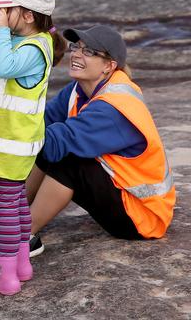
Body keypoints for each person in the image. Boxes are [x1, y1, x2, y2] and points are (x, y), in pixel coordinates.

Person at [25, 25, 176, 249]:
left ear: (109, 66)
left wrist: (1, 135)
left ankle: (19, 237)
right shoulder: (78, 90)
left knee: (67, 160)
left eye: (89, 51)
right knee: (47, 141)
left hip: (141, 216)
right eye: (76, 47)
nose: (75, 54)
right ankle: (10, 218)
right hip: (119, 194)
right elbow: (43, 121)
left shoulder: (114, 107)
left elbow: (53, 144)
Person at [0, 0, 65, 295]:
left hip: (14, 143)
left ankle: (5, 273)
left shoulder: (37, 48)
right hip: (7, 142)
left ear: (27, 15)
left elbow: (6, 67)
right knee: (16, 205)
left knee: (7, 208)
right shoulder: (16, 40)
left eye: (5, 10)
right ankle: (22, 263)